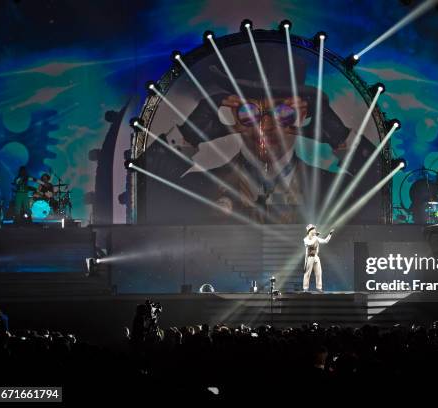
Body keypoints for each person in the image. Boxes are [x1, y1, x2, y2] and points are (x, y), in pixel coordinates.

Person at [140, 43, 379, 224]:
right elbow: (143, 191)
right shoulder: (200, 187)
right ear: (233, 116)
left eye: (283, 112)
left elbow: (381, 192)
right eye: (248, 112)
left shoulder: (333, 190)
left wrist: (339, 135)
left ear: (304, 114)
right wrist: (188, 136)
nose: (265, 126)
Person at [303, 224, 334, 293]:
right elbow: (310, 243)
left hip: (316, 257)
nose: (315, 230)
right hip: (309, 257)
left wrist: (330, 234)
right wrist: (316, 237)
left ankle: (319, 288)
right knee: (307, 273)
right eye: (313, 229)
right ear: (310, 231)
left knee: (319, 273)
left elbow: (325, 241)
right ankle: (305, 288)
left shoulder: (316, 238)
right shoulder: (306, 239)